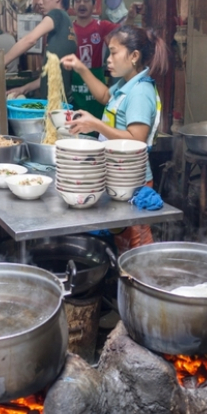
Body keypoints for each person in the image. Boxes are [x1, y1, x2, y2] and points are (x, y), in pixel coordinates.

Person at [59, 24, 168, 252]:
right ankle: (126, 282)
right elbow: (105, 96)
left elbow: (136, 140)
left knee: (137, 245)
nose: (108, 58)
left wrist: (95, 124)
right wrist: (81, 68)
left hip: (133, 182)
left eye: (114, 52)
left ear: (134, 56)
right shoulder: (127, 84)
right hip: (119, 177)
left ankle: (146, 282)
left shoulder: (140, 92)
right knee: (123, 242)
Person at [5, 0, 76, 100]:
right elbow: (47, 77)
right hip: (61, 101)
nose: (39, 2)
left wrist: (1, 62)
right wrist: (23, 89)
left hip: (56, 104)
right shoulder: (67, 21)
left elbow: (29, 40)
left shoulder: (57, 14)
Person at [71, 0, 140, 118]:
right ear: (73, 5)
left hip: (97, 80)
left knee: (97, 122)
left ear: (94, 5)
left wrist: (131, 16)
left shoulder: (102, 26)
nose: (81, 4)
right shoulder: (69, 29)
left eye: (86, 0)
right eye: (77, 0)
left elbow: (124, 34)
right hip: (74, 84)